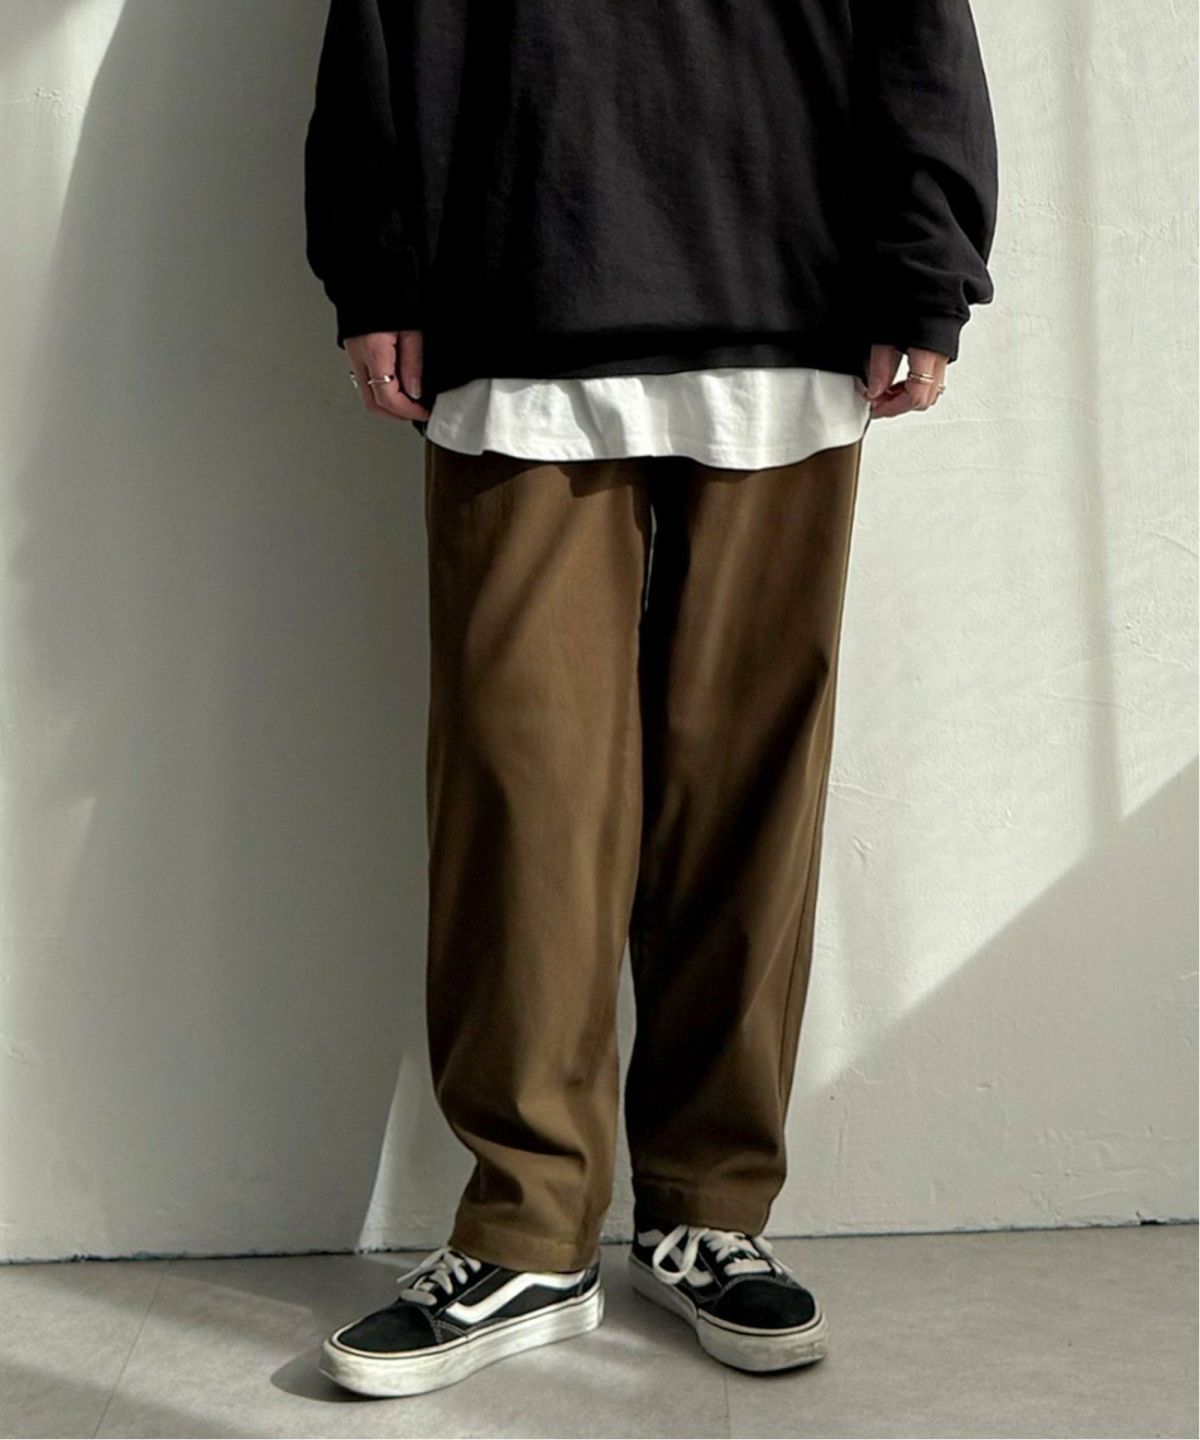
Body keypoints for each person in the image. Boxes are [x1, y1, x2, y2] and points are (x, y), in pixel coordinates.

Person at [304, 0, 997, 1399]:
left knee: (745, 797)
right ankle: (526, 1228)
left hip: (787, 290)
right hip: (517, 278)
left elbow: (917, 28)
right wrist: (377, 263)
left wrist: (926, 268)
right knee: (521, 797)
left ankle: (707, 1206)